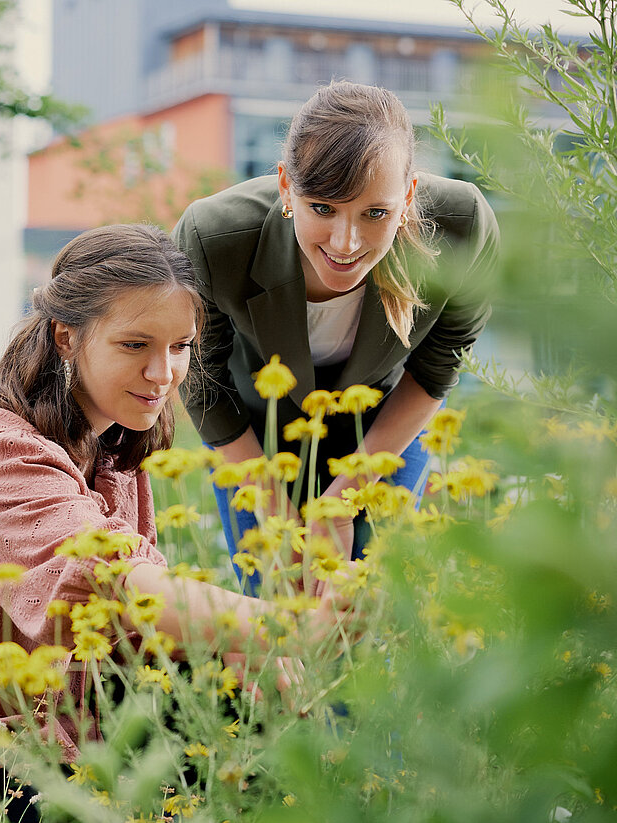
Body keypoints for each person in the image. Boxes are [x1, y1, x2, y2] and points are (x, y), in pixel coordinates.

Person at [0, 224, 342, 823]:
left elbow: (138, 627)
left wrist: (238, 658)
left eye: (180, 346)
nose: (162, 372)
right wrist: (287, 628)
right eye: (135, 344)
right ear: (68, 336)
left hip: (24, 755)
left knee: (243, 740)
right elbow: (111, 585)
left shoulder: (111, 439)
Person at [173, 81, 499, 588]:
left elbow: (437, 368)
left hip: (386, 425)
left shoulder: (463, 228)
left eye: (376, 213)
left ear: (408, 195)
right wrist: (273, 504)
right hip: (255, 435)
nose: (347, 243)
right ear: (286, 188)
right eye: (323, 208)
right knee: (273, 612)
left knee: (376, 605)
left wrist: (344, 501)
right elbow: (201, 380)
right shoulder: (214, 238)